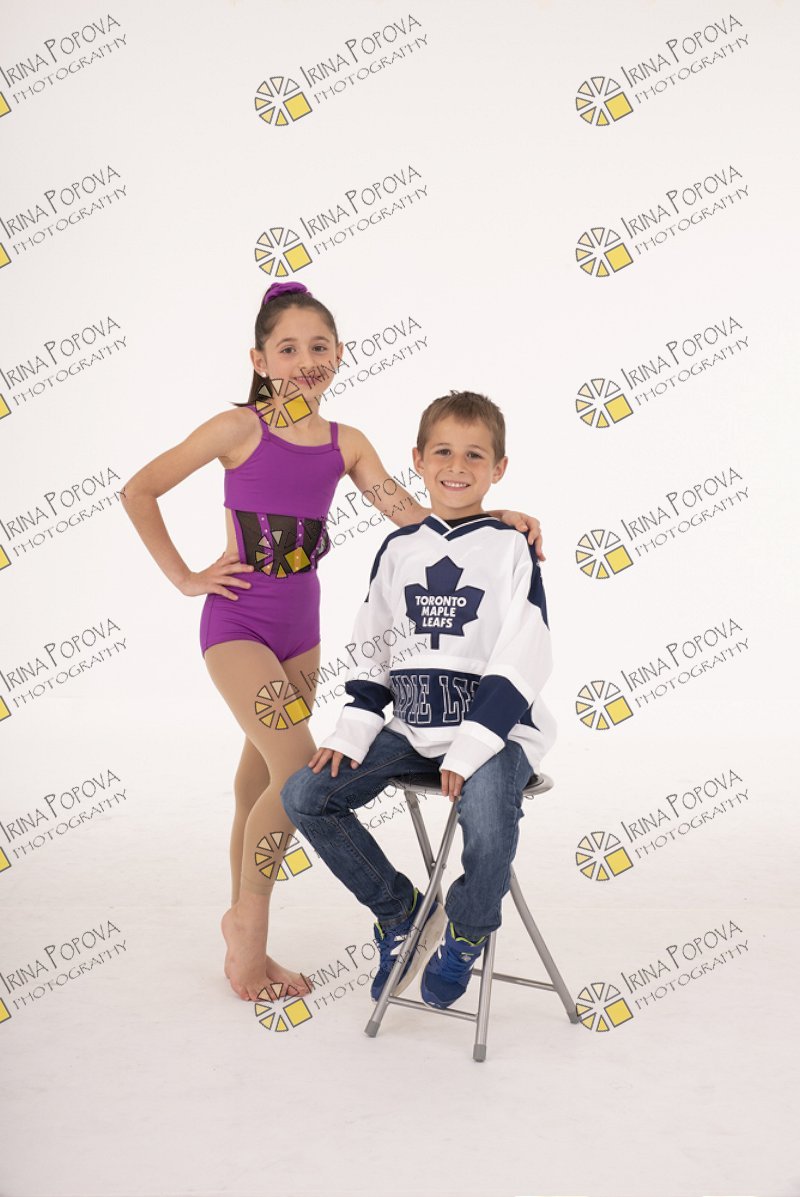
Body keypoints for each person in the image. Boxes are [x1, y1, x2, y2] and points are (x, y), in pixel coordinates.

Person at [120, 285, 545, 1002]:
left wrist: (489, 515)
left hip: (301, 633)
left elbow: (413, 516)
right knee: (295, 771)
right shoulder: (237, 428)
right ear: (259, 359)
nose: (305, 360)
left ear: (340, 355)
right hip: (237, 624)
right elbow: (139, 490)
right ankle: (247, 932)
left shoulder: (346, 443)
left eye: (319, 346)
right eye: (287, 348)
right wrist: (187, 577)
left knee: (255, 781)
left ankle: (244, 932)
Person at [282, 390, 556, 1010]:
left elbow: (526, 649)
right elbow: (375, 642)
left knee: (488, 820)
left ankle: (467, 931)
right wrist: (355, 726)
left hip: (495, 735)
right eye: (443, 452)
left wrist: (474, 742)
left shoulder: (510, 546)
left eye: (475, 455)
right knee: (306, 795)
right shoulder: (399, 548)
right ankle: (401, 911)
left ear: (499, 468)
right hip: (412, 729)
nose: (457, 467)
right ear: (418, 460)